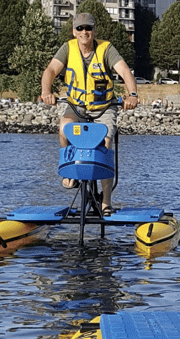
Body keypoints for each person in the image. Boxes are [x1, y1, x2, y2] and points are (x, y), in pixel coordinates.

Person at [40, 12, 139, 216]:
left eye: (88, 28)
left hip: (103, 108)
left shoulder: (106, 49)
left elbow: (125, 71)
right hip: (76, 107)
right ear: (73, 32)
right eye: (80, 28)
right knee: (64, 129)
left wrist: (133, 94)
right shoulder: (67, 49)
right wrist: (46, 92)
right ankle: (70, 172)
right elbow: (50, 70)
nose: (84, 32)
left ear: (94, 31)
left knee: (105, 141)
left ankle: (106, 201)